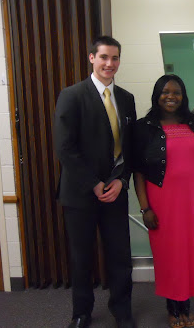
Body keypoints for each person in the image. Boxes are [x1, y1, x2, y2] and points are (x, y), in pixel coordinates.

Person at [54, 36, 136, 328]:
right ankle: (81, 312)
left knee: (120, 256)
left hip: (115, 191)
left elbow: (129, 148)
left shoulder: (126, 99)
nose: (109, 64)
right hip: (80, 193)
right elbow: (64, 147)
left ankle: (122, 311)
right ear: (92, 58)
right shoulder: (72, 95)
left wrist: (121, 180)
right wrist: (94, 183)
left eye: (114, 58)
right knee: (81, 257)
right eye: (103, 57)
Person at [133, 74, 194, 328]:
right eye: (165, 92)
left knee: (189, 252)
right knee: (168, 255)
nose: (171, 96)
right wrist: (145, 208)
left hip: (193, 201)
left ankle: (185, 304)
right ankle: (173, 308)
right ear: (157, 95)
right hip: (163, 200)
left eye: (176, 92)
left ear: (183, 96)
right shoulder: (144, 127)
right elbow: (138, 171)